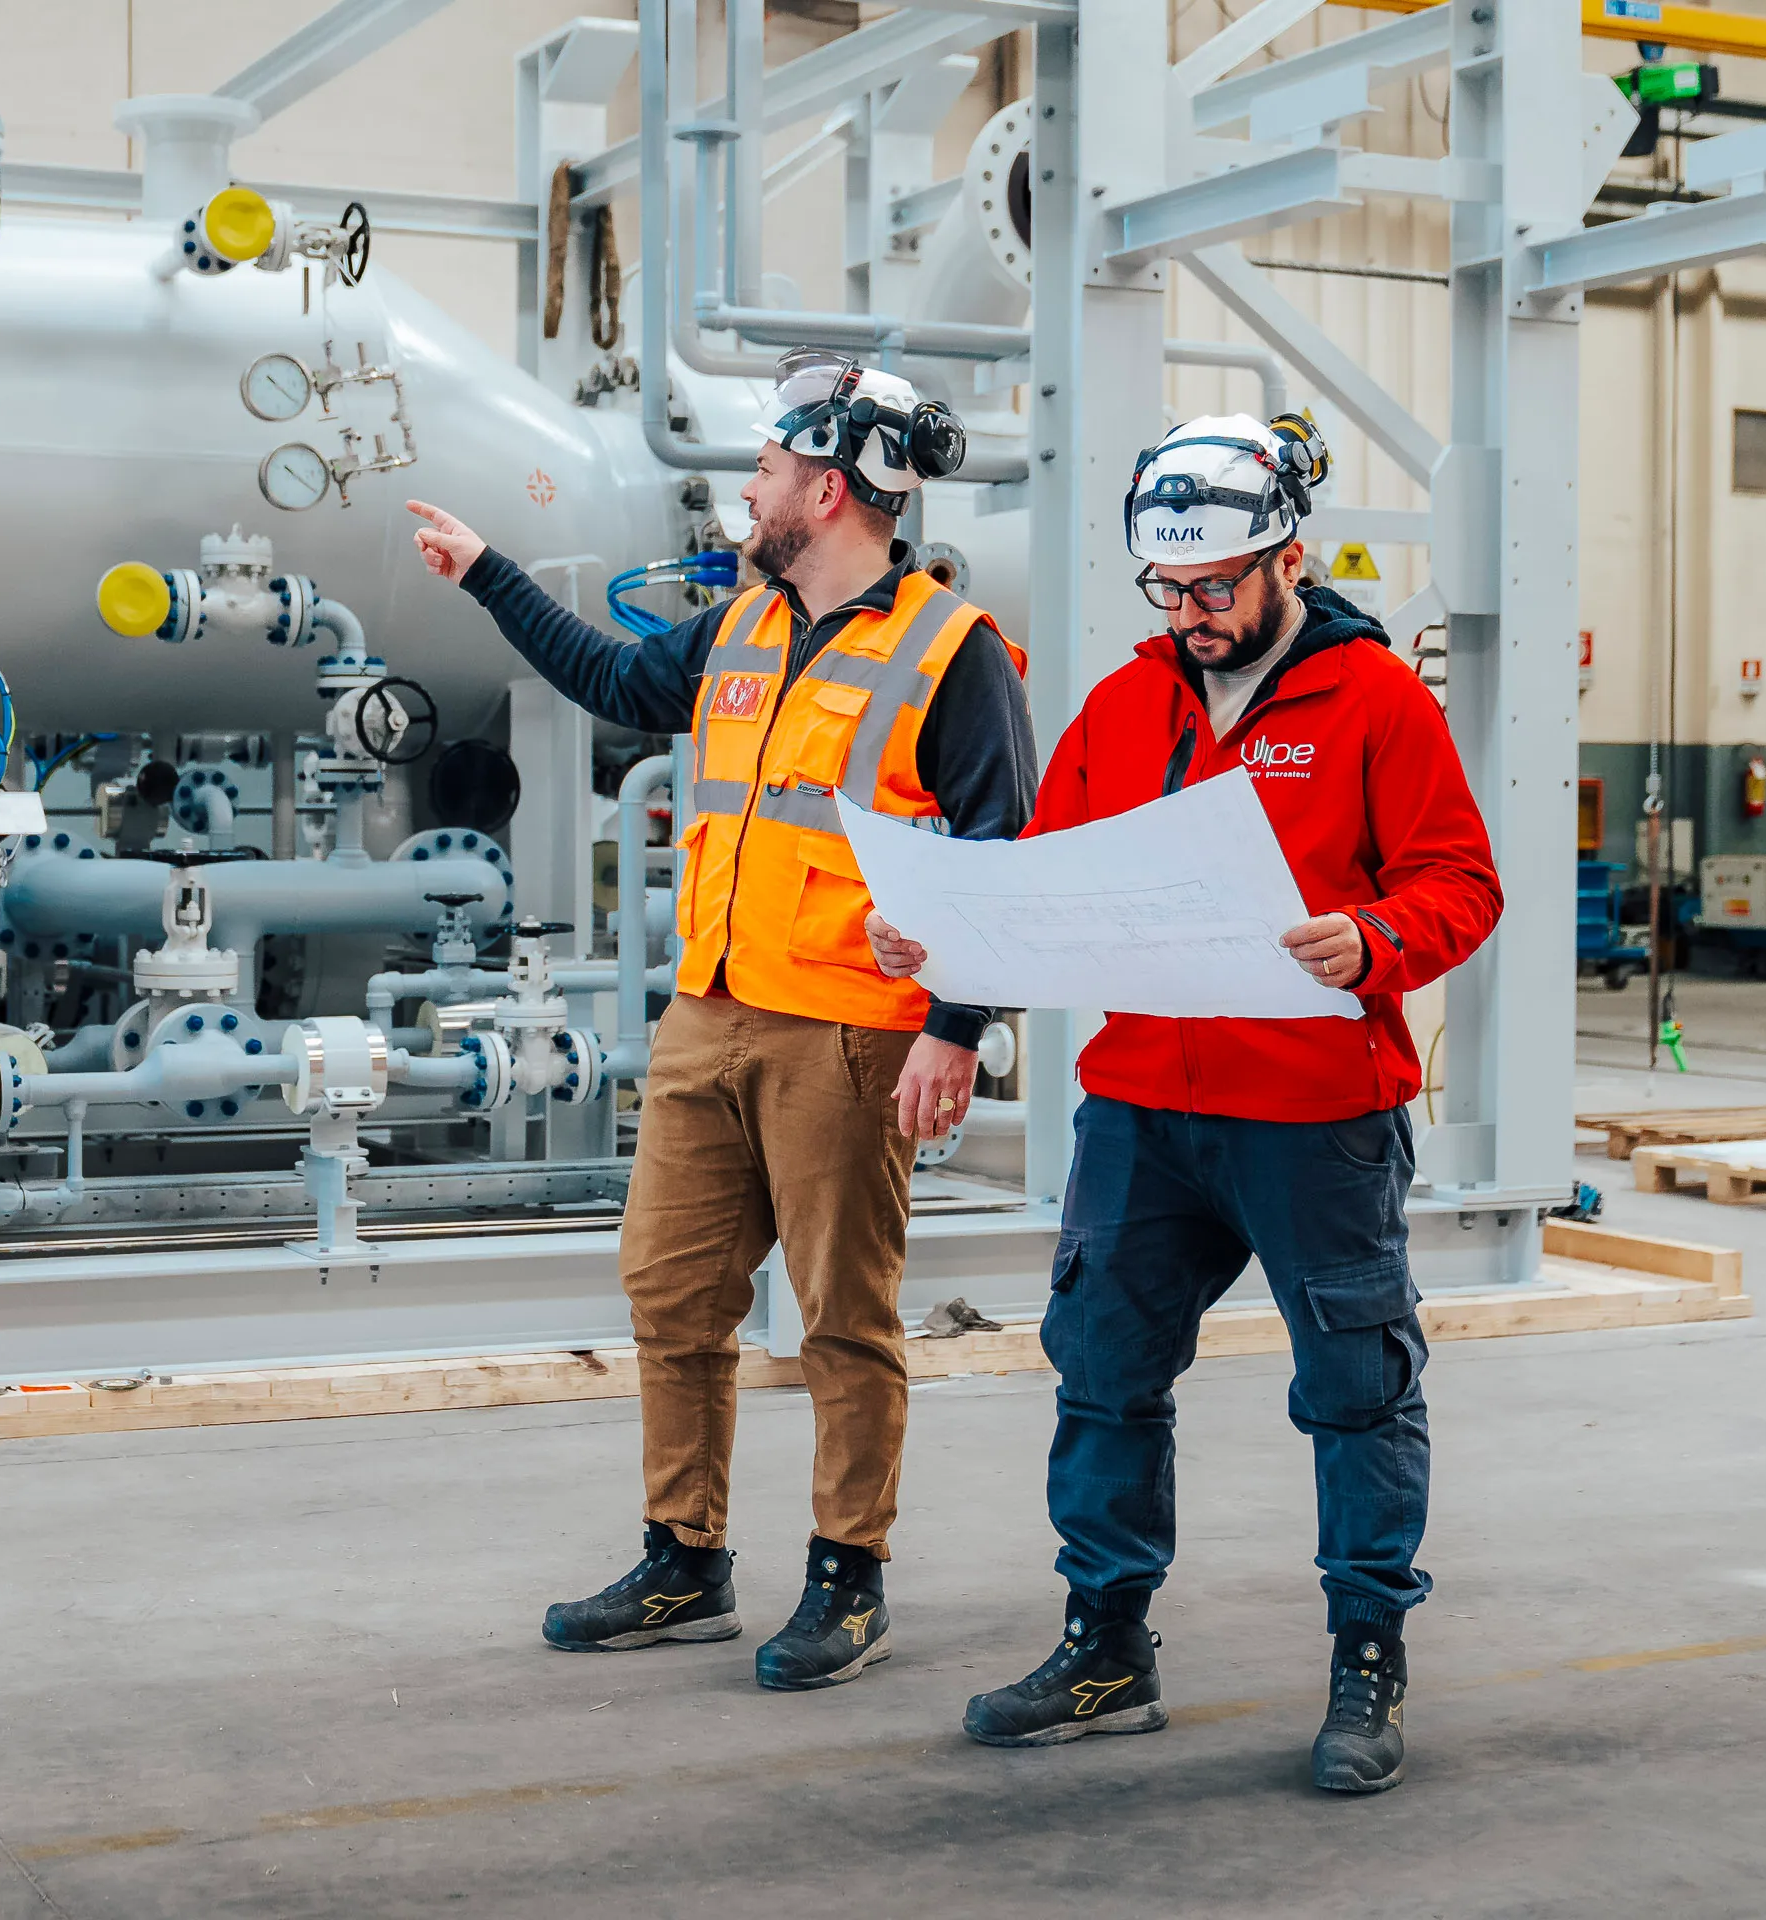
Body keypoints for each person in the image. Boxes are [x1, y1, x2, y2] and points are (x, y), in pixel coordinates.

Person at [867, 413, 1502, 1791]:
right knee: (1100, 1373)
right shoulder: (1122, 706)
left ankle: (1368, 1661)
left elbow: (1462, 882)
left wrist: (1374, 942)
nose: (1191, 614)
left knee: (1353, 1386)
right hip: (1144, 1109)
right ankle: (1106, 1642)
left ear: (1287, 560)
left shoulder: (1377, 703)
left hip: (1315, 1112)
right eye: (1168, 591)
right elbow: (1039, 887)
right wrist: (943, 955)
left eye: (1215, 588)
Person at [405, 350, 1037, 1690]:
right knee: (670, 1288)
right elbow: (616, 680)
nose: (744, 488)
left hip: (851, 1034)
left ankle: (846, 1580)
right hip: (713, 1010)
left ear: (827, 485)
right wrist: (492, 572)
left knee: (842, 1318)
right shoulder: (740, 627)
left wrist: (958, 1025)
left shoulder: (950, 655)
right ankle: (684, 1559)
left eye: (762, 468)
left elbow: (999, 851)